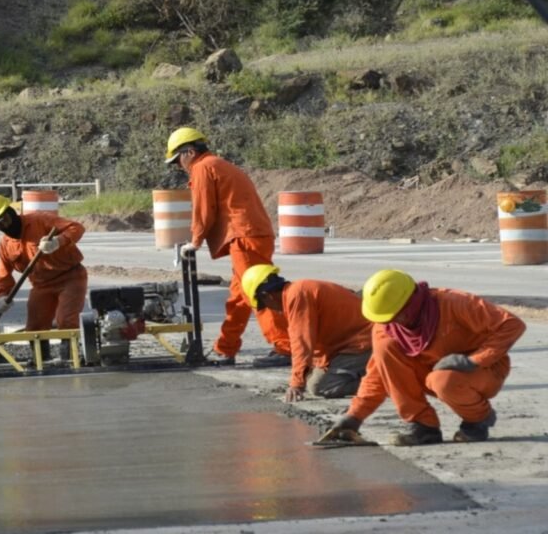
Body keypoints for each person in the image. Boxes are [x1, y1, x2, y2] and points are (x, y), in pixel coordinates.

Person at [325, 269, 525, 445]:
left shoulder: (454, 303)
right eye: (387, 319)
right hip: (431, 373)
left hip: (482, 372)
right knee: (386, 348)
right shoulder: (388, 327)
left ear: (411, 302)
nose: (393, 322)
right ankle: (423, 426)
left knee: (442, 380)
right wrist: (355, 415)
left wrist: (475, 360)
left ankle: (478, 419)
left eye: (396, 315)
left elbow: (511, 324)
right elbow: (379, 374)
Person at [165, 126, 289, 367]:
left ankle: (286, 347)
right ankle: (226, 347)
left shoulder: (203, 167)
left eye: (177, 160)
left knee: (260, 292)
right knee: (240, 297)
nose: (179, 166)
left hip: (245, 237)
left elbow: (204, 208)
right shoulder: (218, 164)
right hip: (251, 235)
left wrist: (195, 241)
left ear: (189, 152)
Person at [241, 264, 372, 401]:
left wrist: (296, 384)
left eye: (264, 305)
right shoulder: (298, 290)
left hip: (362, 343)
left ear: (268, 296)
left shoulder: (297, 296)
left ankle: (381, 382)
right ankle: (372, 370)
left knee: (321, 387)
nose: (270, 309)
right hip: (345, 345)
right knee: (311, 377)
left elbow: (302, 343)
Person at [0, 193, 87, 360]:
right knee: (35, 326)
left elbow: (76, 228)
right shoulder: (5, 246)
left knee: (66, 321)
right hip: (41, 285)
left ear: (11, 212)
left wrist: (58, 241)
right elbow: (3, 275)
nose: (4, 225)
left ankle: (69, 360)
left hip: (70, 278)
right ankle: (41, 361)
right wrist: (2, 295)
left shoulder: (40, 220)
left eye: (4, 219)